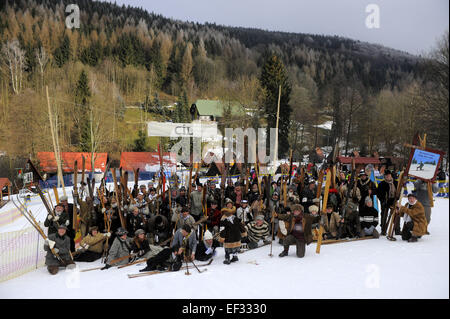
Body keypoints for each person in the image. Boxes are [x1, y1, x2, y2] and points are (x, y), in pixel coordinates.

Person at [219, 199, 247, 264]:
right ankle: (227, 258)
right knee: (227, 248)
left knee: (236, 247)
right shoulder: (223, 219)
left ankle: (235, 257)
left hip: (236, 235)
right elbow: (222, 229)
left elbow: (239, 224)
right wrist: (222, 237)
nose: (229, 205)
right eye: (228, 204)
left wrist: (243, 231)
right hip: (228, 236)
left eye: (230, 204)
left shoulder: (234, 217)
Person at [377, 170, 399, 235]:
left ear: (391, 175)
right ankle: (383, 229)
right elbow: (379, 194)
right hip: (385, 201)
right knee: (384, 215)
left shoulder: (396, 182)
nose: (387, 177)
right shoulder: (381, 184)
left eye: (389, 175)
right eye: (386, 176)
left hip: (394, 200)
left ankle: (397, 229)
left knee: (397, 214)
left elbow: (399, 191)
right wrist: (383, 201)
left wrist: (397, 198)